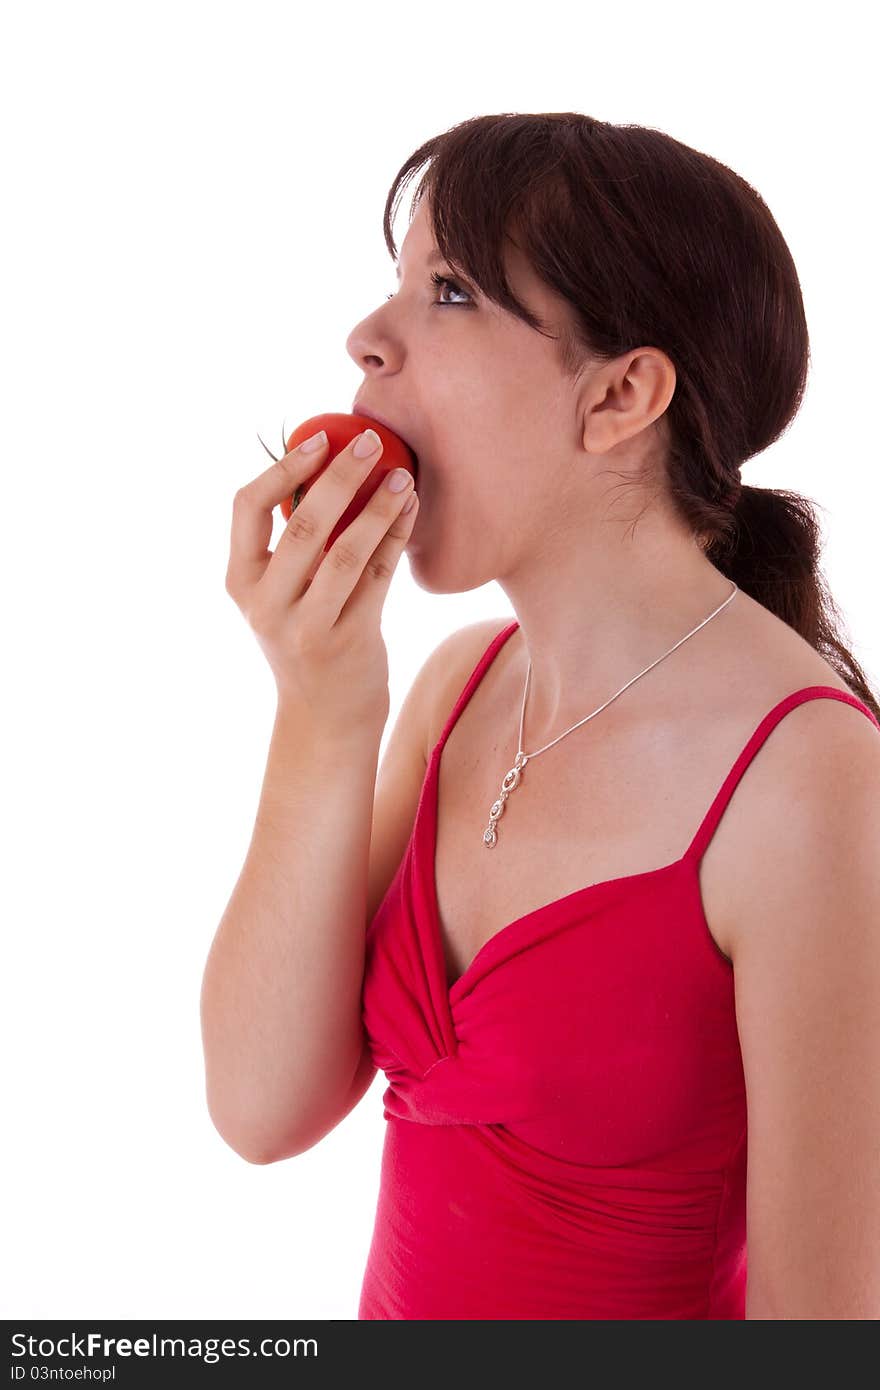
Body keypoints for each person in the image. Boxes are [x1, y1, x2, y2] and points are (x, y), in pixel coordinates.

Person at [206, 112, 880, 1320]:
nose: (364, 339)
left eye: (449, 291)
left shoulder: (814, 780)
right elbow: (260, 1109)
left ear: (622, 393)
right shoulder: (459, 688)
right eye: (397, 286)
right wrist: (320, 707)